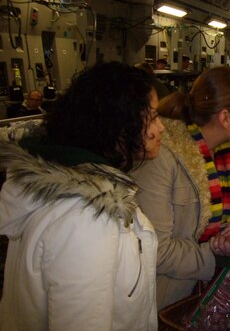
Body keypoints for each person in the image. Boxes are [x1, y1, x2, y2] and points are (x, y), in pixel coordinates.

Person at [0, 62, 165, 330]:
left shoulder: (67, 190)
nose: (161, 128)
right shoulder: (87, 219)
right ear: (119, 123)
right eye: (154, 116)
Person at [131, 66, 230, 309]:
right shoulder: (161, 158)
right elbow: (155, 250)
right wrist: (214, 253)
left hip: (210, 294)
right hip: (167, 301)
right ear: (225, 118)